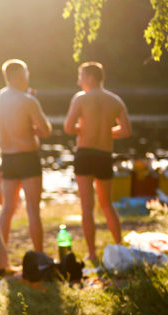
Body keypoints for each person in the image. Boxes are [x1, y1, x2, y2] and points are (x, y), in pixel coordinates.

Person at [63, 61, 132, 262]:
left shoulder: (81, 99)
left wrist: (83, 129)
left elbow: (68, 127)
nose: (78, 81)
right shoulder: (116, 101)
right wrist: (107, 132)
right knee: (107, 204)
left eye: (81, 77)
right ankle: (119, 245)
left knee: (87, 206)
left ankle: (92, 253)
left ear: (91, 78)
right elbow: (126, 130)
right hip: (104, 155)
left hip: (85, 153)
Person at [0, 59, 52, 252]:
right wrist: (34, 127)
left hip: (8, 158)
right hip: (27, 157)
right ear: (21, 76)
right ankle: (39, 254)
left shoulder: (1, 95)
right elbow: (46, 131)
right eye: (26, 74)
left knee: (7, 209)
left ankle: (0, 255)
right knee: (33, 210)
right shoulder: (29, 101)